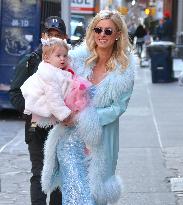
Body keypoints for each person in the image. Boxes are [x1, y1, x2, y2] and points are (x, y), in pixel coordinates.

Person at [41, 10, 135, 205]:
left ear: (118, 34)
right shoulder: (74, 59)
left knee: (94, 198)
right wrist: (58, 112)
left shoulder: (124, 70)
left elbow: (117, 108)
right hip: (69, 143)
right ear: (92, 32)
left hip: (99, 144)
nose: (102, 34)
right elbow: (49, 81)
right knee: (79, 199)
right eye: (98, 29)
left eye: (108, 31)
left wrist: (83, 117)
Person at [9, 16, 68, 205]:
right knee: (39, 171)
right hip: (35, 125)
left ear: (64, 37)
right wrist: (34, 110)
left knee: (59, 172)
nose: (52, 38)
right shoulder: (30, 60)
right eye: (50, 34)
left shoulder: (67, 63)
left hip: (60, 127)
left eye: (57, 35)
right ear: (43, 35)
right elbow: (15, 94)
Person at [20, 37, 91, 128]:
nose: (62, 59)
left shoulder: (57, 70)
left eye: (65, 55)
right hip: (39, 107)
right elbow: (53, 97)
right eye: (58, 56)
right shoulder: (49, 75)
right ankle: (32, 132)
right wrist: (65, 114)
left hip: (46, 110)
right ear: (47, 58)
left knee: (40, 127)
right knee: (34, 127)